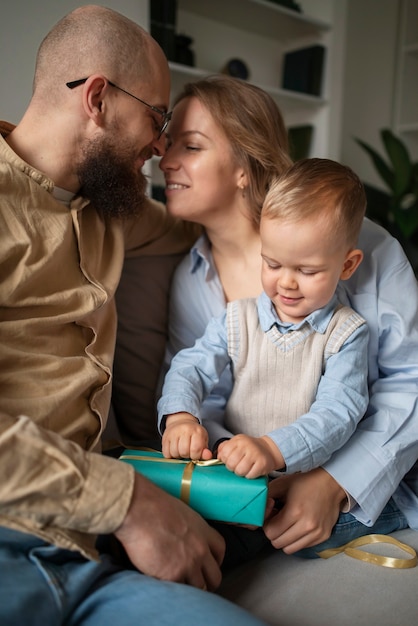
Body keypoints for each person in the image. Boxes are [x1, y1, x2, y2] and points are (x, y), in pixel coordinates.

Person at [0, 7, 268, 625]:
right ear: (97, 98)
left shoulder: (112, 207)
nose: (161, 143)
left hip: (93, 565)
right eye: (158, 117)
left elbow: (224, 215)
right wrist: (128, 503)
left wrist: (327, 241)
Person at [159, 75, 418, 560]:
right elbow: (196, 382)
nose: (164, 159)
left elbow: (410, 382)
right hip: (244, 476)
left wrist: (333, 482)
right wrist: (224, 457)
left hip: (342, 464)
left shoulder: (366, 245)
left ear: (243, 165)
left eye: (189, 147)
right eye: (167, 142)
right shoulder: (189, 279)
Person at [158, 158, 369, 483]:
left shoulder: (345, 334)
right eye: (272, 264)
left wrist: (272, 450)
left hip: (299, 477)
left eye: (307, 271)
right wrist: (180, 417)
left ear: (347, 266)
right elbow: (190, 367)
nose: (286, 282)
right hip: (230, 471)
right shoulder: (237, 318)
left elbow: (337, 413)